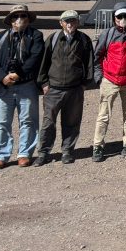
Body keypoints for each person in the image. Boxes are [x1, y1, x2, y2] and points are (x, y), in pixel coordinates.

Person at [0, 5, 45, 169]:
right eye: (15, 16)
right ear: (10, 20)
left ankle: (24, 154)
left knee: (28, 120)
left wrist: (18, 74)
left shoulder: (36, 36)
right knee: (2, 122)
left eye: (23, 15)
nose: (19, 19)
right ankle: (1, 155)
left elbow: (35, 57)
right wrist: (2, 77)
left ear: (28, 19)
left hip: (26, 84)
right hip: (4, 86)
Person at [34, 10, 93, 166]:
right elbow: (43, 62)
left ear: (78, 22)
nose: (70, 24)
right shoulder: (53, 39)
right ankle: (43, 152)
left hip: (75, 89)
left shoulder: (84, 40)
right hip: (53, 89)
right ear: (61, 23)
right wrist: (44, 83)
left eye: (73, 21)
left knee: (71, 122)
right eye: (67, 21)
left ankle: (67, 151)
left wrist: (84, 84)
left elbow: (89, 63)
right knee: (48, 123)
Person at [92, 2, 126, 162]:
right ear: (114, 17)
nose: (123, 18)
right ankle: (97, 146)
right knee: (103, 115)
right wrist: (99, 77)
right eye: (119, 16)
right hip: (110, 80)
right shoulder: (108, 34)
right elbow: (97, 56)